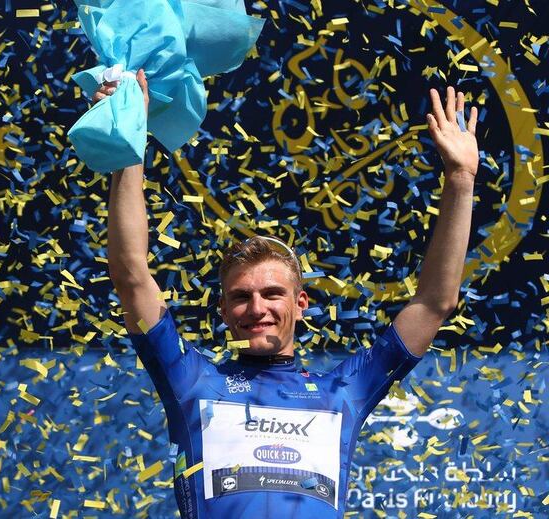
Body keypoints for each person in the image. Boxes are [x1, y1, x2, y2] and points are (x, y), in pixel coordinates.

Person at [100, 70, 479, 518]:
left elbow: (435, 302)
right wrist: (129, 144)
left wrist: (460, 178)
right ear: (223, 310)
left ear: (301, 305)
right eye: (241, 297)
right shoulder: (193, 381)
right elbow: (130, 275)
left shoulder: (345, 390)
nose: (256, 308)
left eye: (272, 294)